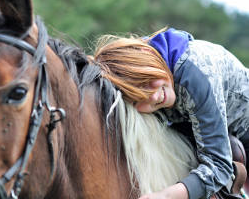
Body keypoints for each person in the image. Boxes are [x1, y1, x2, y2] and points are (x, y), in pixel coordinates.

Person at [92, 28, 249, 199]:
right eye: (138, 100)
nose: (153, 96)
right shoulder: (143, 62)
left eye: (147, 81)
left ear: (148, 55)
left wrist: (165, 195)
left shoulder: (196, 71)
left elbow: (219, 166)